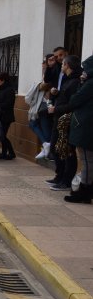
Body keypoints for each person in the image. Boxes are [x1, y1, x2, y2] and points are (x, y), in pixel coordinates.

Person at [46, 55, 82, 191]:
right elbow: (65, 97)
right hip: (59, 118)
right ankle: (59, 176)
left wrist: (56, 108)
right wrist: (56, 93)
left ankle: (66, 180)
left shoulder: (75, 82)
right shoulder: (68, 80)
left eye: (63, 64)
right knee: (56, 148)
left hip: (66, 120)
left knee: (66, 151)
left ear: (68, 66)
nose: (61, 66)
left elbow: (72, 104)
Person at [64, 55, 93, 203]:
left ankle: (85, 192)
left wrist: (82, 82)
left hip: (85, 127)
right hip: (86, 126)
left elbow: (75, 100)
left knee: (87, 161)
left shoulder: (89, 84)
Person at [0, 72, 16, 160]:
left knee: (2, 135)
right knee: (2, 135)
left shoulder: (9, 90)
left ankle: (11, 153)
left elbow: (9, 103)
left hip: (6, 116)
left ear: (3, 81)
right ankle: (5, 153)